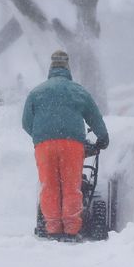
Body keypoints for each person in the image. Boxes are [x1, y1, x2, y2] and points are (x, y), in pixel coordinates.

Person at [22, 50, 109, 241]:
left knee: (49, 185)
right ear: (68, 68)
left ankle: (52, 228)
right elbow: (94, 117)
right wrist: (103, 137)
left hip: (44, 145)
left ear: (51, 68)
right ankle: (71, 229)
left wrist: (40, 136)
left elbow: (26, 122)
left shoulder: (36, 92)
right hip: (72, 144)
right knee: (71, 185)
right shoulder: (77, 90)